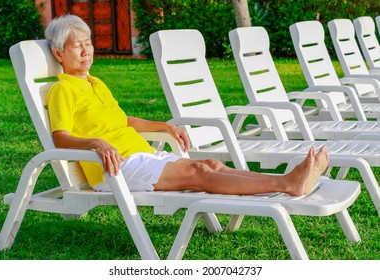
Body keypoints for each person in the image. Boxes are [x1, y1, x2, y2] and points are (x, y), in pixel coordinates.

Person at [45, 14, 329, 196]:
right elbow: (60, 137)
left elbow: (123, 122)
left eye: (88, 43)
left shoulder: (96, 83)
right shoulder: (63, 89)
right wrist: (97, 143)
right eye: (76, 46)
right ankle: (288, 184)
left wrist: (164, 127)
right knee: (200, 174)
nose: (86, 51)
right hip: (115, 168)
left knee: (211, 163)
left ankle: (286, 180)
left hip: (140, 155)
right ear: (59, 53)